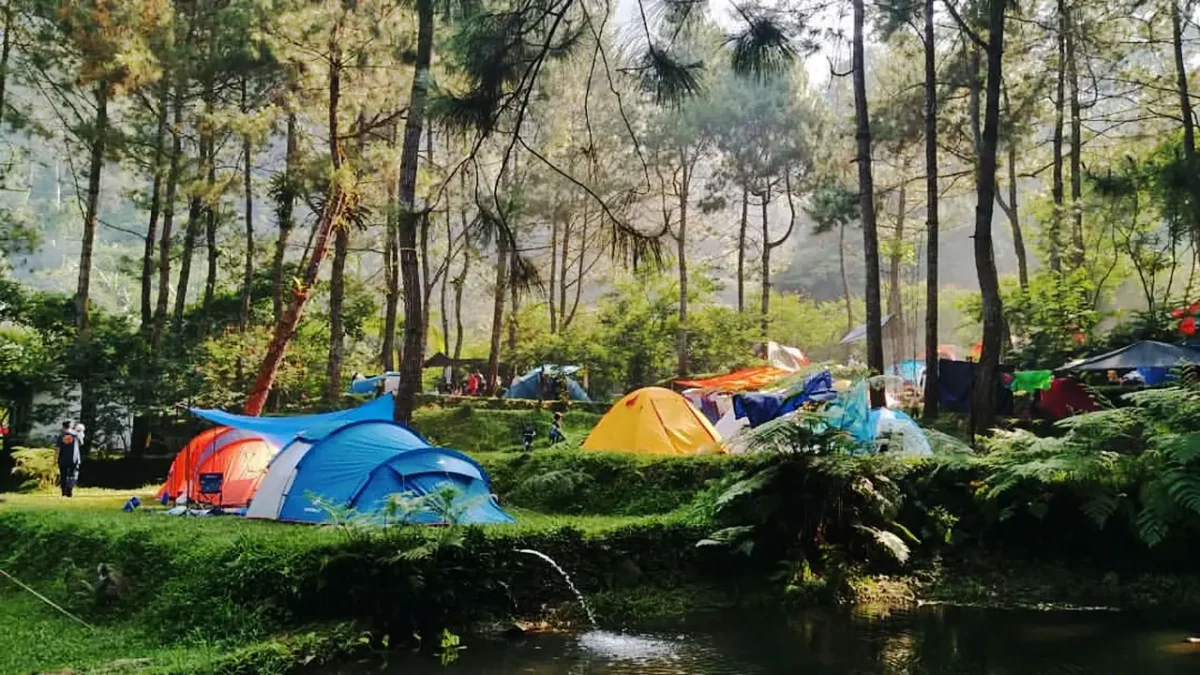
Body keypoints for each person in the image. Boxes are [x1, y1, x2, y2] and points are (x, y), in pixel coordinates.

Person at [53, 421, 80, 498]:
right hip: (74, 459)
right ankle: (69, 491)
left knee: (63, 475)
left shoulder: (61, 436)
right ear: (70, 426)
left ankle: (63, 492)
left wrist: (55, 459)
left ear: (63, 427)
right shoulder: (76, 436)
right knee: (72, 475)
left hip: (63, 459)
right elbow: (81, 443)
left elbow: (58, 449)